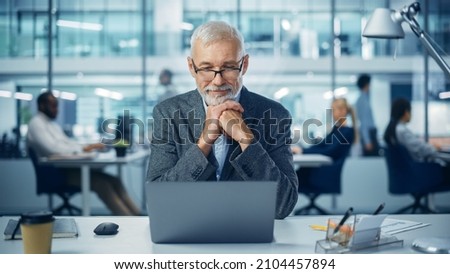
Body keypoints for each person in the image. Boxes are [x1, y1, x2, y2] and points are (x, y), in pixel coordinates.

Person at [147, 21, 298, 219]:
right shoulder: (168, 113)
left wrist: (247, 140)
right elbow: (158, 202)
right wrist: (204, 142)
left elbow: (283, 205)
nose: (218, 81)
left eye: (228, 68)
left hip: (250, 234)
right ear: (192, 67)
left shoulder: (275, 115)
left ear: (244, 65)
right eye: (207, 68)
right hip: (188, 231)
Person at [27, 91, 141, 215]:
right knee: (102, 184)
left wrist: (89, 146)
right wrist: (83, 149)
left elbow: (68, 143)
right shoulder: (36, 124)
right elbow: (53, 149)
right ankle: (129, 219)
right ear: (42, 106)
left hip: (67, 168)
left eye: (57, 105)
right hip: (55, 173)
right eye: (53, 105)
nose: (57, 110)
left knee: (114, 181)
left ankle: (138, 217)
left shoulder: (52, 125)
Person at [383, 98, 450, 183]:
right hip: (418, 172)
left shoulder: (393, 130)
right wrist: (434, 147)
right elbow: (421, 149)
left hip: (410, 172)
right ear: (406, 112)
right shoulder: (401, 130)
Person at [292, 98, 357, 182]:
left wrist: (302, 151)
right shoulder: (336, 129)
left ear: (343, 110)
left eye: (334, 110)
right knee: (292, 176)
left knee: (292, 179)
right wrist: (301, 150)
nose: (332, 114)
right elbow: (321, 145)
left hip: (328, 173)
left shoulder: (347, 132)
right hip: (325, 170)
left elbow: (329, 151)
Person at [355, 73, 380, 156]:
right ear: (366, 84)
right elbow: (364, 122)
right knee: (373, 161)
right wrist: (367, 141)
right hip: (369, 134)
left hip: (370, 133)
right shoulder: (362, 100)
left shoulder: (364, 99)